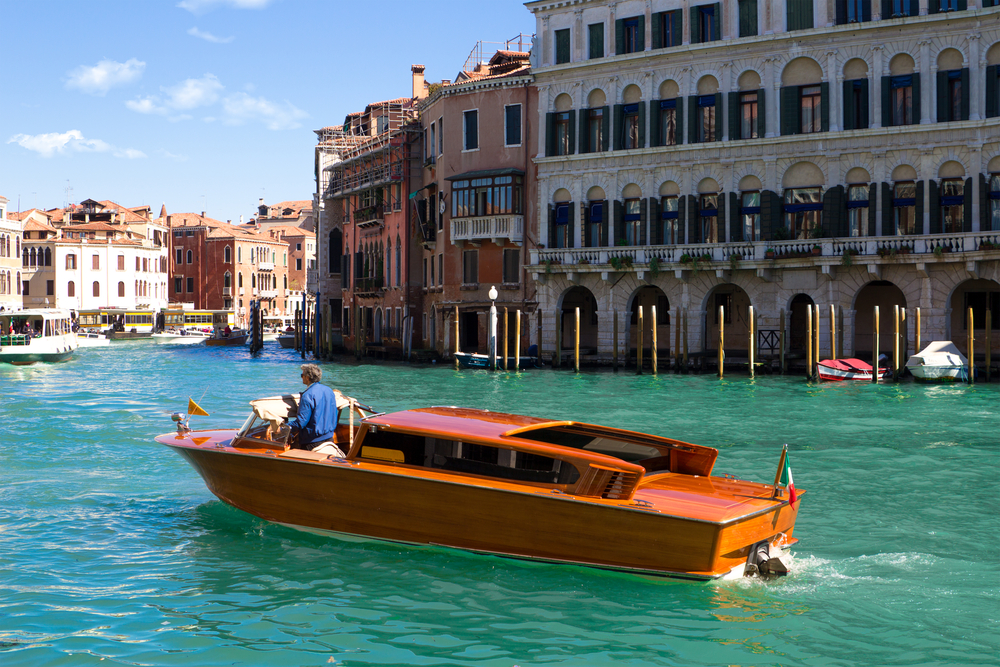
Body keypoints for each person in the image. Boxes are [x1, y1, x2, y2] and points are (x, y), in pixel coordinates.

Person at [287, 364, 344, 457]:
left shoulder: (307, 395)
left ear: (307, 377)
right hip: (329, 439)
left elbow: (301, 423)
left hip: (311, 442)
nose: (301, 377)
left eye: (302, 375)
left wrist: (285, 427)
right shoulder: (329, 390)